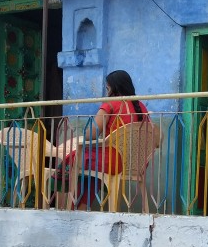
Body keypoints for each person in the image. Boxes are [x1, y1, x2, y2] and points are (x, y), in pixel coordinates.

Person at [55, 70, 150, 209]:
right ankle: (80, 207)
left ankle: (62, 207)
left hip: (113, 161)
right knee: (92, 173)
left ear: (112, 88)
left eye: (107, 88)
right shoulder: (142, 107)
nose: (107, 91)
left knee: (72, 158)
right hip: (136, 163)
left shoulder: (111, 104)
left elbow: (92, 134)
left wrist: (92, 135)